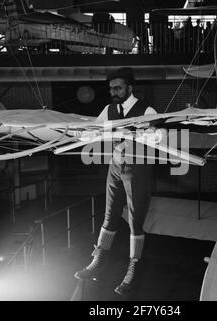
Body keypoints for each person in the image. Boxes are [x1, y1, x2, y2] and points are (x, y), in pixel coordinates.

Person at [74, 67, 157, 296]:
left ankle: (133, 266)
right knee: (109, 214)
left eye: (118, 87)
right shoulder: (109, 109)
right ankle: (98, 260)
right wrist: (78, 133)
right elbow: (93, 131)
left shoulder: (146, 110)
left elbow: (156, 137)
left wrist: (143, 133)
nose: (113, 91)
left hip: (137, 167)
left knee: (135, 219)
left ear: (130, 88)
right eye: (111, 88)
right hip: (115, 165)